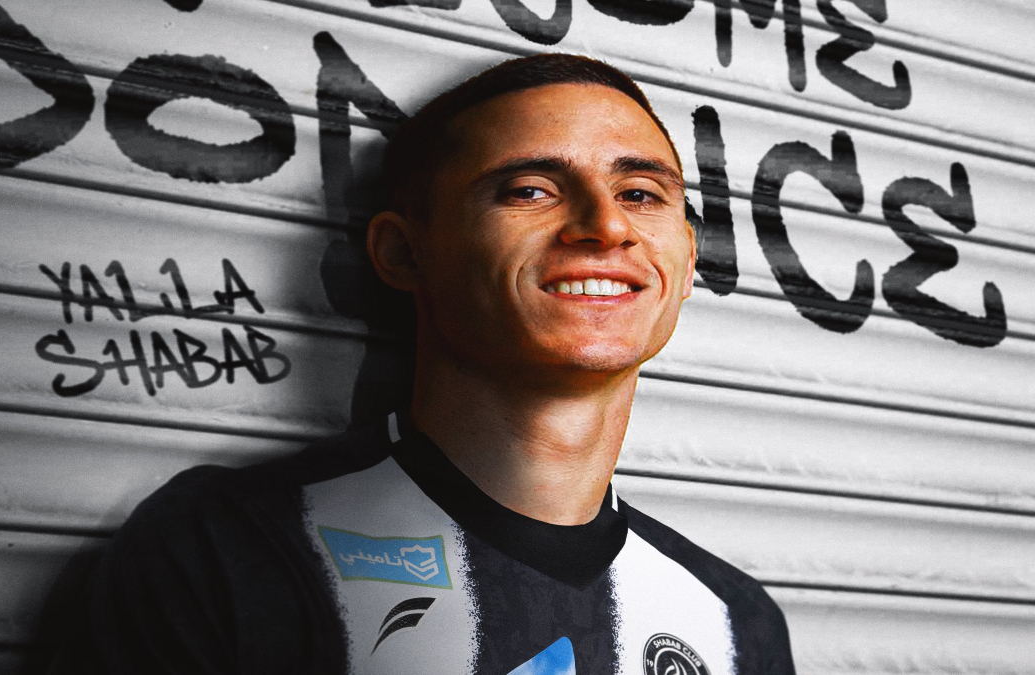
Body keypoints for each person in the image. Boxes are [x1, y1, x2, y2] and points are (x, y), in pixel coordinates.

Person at [49, 54, 795, 675]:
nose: (606, 225)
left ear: (686, 260)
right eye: (531, 190)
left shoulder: (735, 621)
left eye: (640, 193)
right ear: (404, 252)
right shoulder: (231, 547)